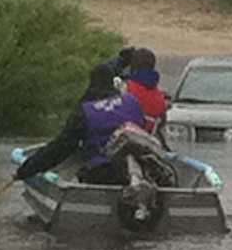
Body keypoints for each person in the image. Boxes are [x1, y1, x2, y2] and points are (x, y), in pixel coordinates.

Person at [12, 62, 145, 185]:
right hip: (140, 170)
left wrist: (26, 170)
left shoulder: (85, 112)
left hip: (103, 173)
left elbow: (59, 148)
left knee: (90, 168)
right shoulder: (132, 102)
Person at [123, 48, 167, 133]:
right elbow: (162, 122)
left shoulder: (126, 88)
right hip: (150, 138)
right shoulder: (159, 96)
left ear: (133, 66)